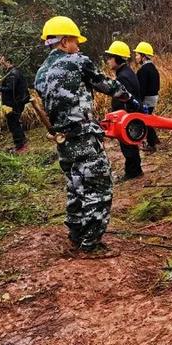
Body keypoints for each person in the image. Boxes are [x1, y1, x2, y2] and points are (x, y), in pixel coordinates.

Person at [34, 16, 140, 256]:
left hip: (63, 139)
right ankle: (91, 244)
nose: (78, 46)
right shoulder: (77, 62)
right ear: (64, 42)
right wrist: (128, 98)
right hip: (83, 135)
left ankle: (76, 233)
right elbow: (106, 84)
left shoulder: (41, 73)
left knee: (75, 185)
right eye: (75, 41)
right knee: (99, 186)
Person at [105, 40, 144, 181]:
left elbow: (127, 99)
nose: (108, 61)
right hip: (126, 116)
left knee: (128, 144)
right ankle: (133, 169)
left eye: (110, 57)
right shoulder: (125, 73)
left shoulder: (124, 77)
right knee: (129, 143)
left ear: (118, 58)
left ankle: (133, 171)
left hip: (126, 117)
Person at [0, 56, 30, 153]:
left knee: (14, 124)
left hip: (14, 103)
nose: (0, 65)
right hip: (13, 103)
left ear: (8, 62)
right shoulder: (12, 72)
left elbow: (10, 89)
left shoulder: (13, 73)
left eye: (1, 63)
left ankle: (21, 147)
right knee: (14, 124)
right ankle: (21, 144)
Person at [134, 41, 160, 152]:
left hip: (146, 99)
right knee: (147, 118)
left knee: (146, 120)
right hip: (153, 98)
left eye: (137, 54)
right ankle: (154, 139)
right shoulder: (153, 68)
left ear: (143, 56)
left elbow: (142, 88)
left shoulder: (143, 70)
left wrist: (138, 101)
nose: (136, 57)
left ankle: (152, 144)